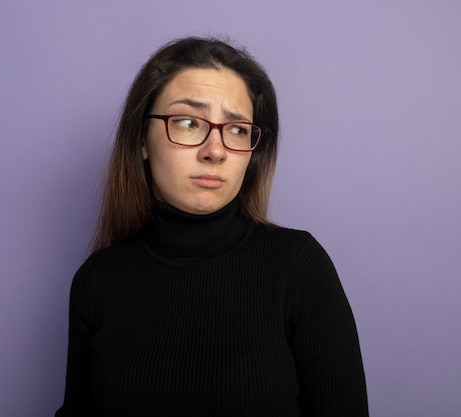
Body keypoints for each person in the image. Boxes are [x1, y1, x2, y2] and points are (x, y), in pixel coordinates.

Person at [55, 36, 368, 417]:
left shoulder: (298, 266)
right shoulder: (98, 280)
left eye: (236, 129)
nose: (215, 150)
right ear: (142, 139)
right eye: (188, 122)